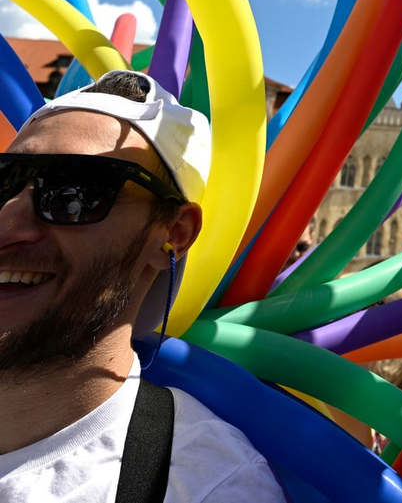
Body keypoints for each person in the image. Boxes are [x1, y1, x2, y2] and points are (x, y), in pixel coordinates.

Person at [0, 69, 285, 502]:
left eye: (73, 189)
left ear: (174, 232)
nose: (7, 223)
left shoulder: (201, 485)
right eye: (4, 182)